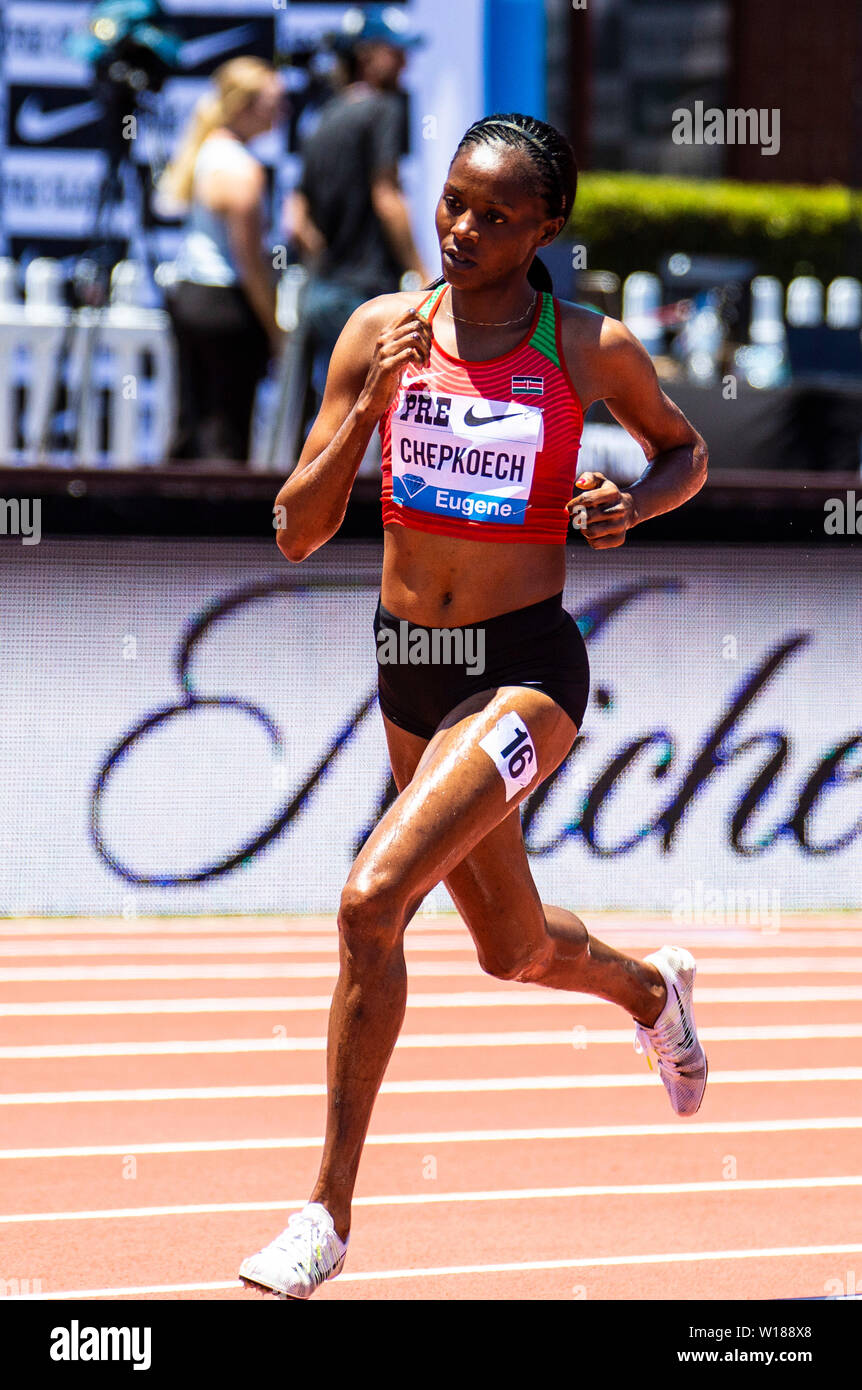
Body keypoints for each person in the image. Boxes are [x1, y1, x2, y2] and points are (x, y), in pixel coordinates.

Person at [240, 111, 710, 1300]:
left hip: (528, 669)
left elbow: (682, 452)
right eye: (451, 200)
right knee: (512, 949)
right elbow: (295, 532)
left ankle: (326, 1216)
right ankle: (652, 991)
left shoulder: (585, 347)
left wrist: (626, 509)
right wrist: (365, 406)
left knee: (369, 900)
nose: (460, 227)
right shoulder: (374, 331)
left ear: (546, 228)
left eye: (495, 214)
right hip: (408, 666)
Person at [284, 7, 431, 441]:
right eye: (396, 53)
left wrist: (326, 261)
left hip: (321, 292)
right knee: (364, 428)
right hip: (364, 295)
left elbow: (297, 219)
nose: (405, 64)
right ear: (366, 56)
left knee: (322, 426)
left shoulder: (323, 115)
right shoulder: (384, 108)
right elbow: (387, 196)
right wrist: (424, 275)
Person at [156, 57, 286, 462]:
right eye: (273, 102)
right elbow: (249, 261)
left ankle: (177, 519)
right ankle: (218, 522)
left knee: (193, 422)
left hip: (191, 297)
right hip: (225, 305)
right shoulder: (243, 170)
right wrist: (273, 325)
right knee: (226, 434)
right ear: (245, 105)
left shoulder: (208, 151)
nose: (282, 111)